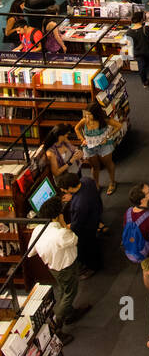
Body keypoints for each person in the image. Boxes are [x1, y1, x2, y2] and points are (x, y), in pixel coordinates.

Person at [31, 195, 91, 343]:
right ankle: (57, 324)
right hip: (67, 267)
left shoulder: (38, 230)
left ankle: (69, 314)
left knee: (64, 290)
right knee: (70, 293)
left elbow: (31, 251)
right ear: (58, 215)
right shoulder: (61, 233)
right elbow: (74, 239)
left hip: (53, 267)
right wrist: (64, 223)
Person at [57, 169, 103, 277]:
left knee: (87, 247)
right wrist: (73, 196)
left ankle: (92, 267)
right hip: (96, 213)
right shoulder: (86, 180)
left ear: (70, 188)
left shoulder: (79, 205)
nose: (64, 192)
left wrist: (62, 226)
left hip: (87, 227)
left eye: (64, 190)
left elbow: (76, 225)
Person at [75, 101, 121, 193]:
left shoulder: (104, 120)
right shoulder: (85, 120)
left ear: (96, 114)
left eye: (89, 115)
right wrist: (82, 139)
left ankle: (112, 182)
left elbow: (118, 126)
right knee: (95, 167)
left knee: (108, 164)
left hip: (104, 146)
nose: (87, 117)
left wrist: (108, 137)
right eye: (86, 115)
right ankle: (96, 184)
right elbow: (76, 128)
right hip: (89, 147)